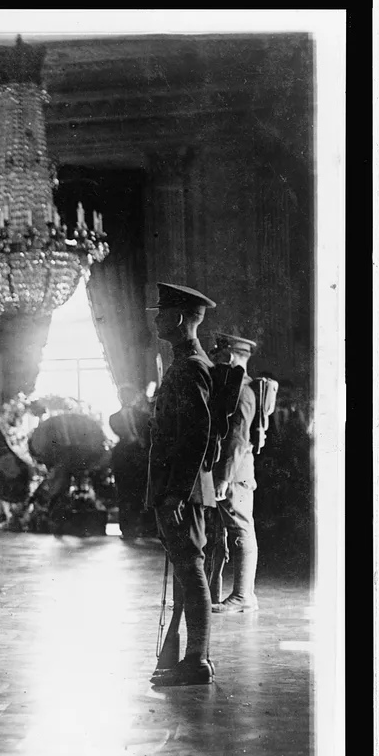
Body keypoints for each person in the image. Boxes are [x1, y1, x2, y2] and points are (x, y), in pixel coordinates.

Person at [145, 283, 218, 687]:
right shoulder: (183, 364)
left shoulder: (191, 367)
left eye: (161, 312)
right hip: (179, 489)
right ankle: (191, 659)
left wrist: (175, 490)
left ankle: (197, 661)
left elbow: (196, 435)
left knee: (190, 569)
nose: (157, 319)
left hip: (182, 492)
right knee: (186, 568)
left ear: (177, 318)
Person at [206, 333, 261, 613]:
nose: (215, 360)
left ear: (229, 357)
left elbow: (238, 439)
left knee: (240, 529)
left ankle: (243, 596)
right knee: (223, 530)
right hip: (228, 470)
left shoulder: (243, 392)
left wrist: (225, 476)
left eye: (218, 355)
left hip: (235, 472)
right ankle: (213, 592)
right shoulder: (233, 389)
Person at [109, 383, 153, 539]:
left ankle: (134, 528)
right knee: (129, 493)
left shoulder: (142, 417)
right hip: (130, 457)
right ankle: (131, 529)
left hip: (132, 456)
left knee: (134, 492)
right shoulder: (115, 418)